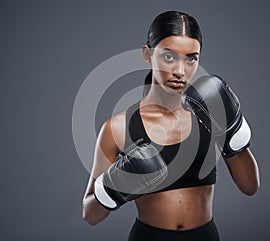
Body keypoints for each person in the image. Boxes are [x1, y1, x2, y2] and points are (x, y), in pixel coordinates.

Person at [82, 10, 260, 241]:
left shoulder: (208, 114)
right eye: (169, 57)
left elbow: (250, 187)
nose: (180, 70)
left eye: (191, 58)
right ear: (147, 55)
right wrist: (114, 186)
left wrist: (233, 135)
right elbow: (90, 214)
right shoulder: (118, 128)